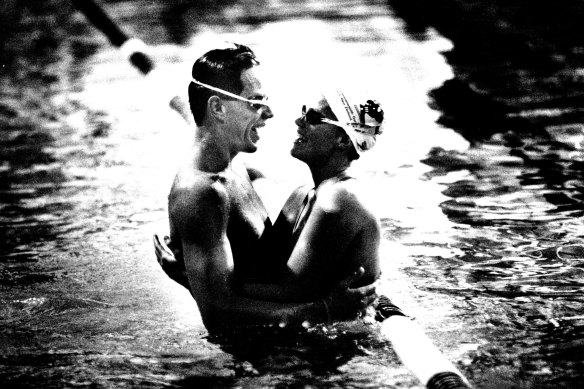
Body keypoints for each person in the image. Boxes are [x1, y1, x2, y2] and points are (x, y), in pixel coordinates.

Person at [157, 44, 376, 332]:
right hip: (266, 363)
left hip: (289, 346)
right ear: (218, 108)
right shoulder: (201, 193)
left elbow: (198, 120)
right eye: (254, 102)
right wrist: (325, 310)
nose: (269, 113)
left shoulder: (233, 165)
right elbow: (218, 317)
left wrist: (193, 280)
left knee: (300, 196)